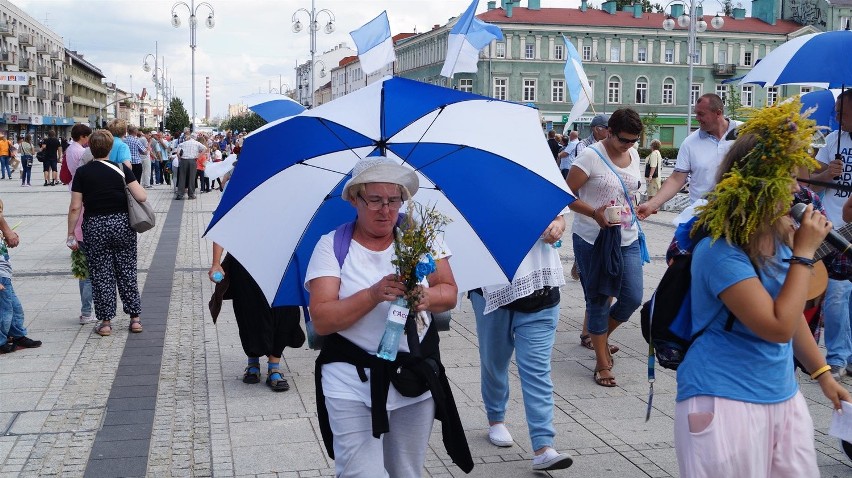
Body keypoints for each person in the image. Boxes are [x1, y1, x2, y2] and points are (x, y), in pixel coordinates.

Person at [674, 100, 850, 476]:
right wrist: (803, 255)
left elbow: (792, 315)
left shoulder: (776, 237)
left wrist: (822, 375)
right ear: (760, 182)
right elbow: (777, 326)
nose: (796, 186)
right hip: (723, 398)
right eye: (787, 176)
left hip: (781, 394)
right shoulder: (718, 249)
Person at [305, 157, 471, 477]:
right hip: (351, 378)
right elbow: (323, 318)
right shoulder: (331, 246)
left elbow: (449, 292)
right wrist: (371, 295)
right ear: (355, 199)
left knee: (406, 472)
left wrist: (424, 296)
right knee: (360, 473)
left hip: (412, 378)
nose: (386, 210)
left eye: (393, 200)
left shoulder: (419, 237)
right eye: (375, 200)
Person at [470, 214, 574, 471]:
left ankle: (543, 447)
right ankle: (496, 419)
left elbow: (561, 218)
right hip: (493, 291)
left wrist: (557, 228)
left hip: (541, 289)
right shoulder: (478, 186)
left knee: (537, 371)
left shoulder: (540, 175)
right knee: (494, 362)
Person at [567, 108, 645, 387]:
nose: (629, 146)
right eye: (624, 140)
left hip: (627, 235)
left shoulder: (633, 154)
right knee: (599, 300)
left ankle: (600, 337)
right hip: (593, 239)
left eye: (634, 140)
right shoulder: (590, 156)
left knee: (632, 297)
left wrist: (638, 205)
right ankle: (601, 362)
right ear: (609, 132)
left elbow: (634, 188)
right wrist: (593, 213)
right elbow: (565, 196)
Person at [66, 130, 147, 337]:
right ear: (110, 148)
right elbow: (142, 196)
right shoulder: (121, 168)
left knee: (101, 275)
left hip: (95, 226)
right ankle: (135, 319)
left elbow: (75, 207)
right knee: (127, 270)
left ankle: (106, 323)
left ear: (90, 148)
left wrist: (70, 233)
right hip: (122, 225)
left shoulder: (83, 173)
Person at [208, 243, 305, 391]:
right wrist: (216, 263)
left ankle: (274, 367)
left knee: (285, 311)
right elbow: (222, 228)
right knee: (248, 312)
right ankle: (253, 362)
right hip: (245, 262)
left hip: (283, 259)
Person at [637, 94, 741, 219]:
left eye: (701, 114)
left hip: (740, 216)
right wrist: (651, 204)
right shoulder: (690, 142)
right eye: (695, 113)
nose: (696, 118)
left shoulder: (745, 133)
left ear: (718, 113)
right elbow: (676, 179)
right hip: (703, 218)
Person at [811, 88, 852, 379]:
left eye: (841, 111)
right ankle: (837, 357)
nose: (836, 115)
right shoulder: (832, 141)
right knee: (836, 297)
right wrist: (826, 175)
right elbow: (811, 186)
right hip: (835, 231)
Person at [0, 200, 41, 354]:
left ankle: (18, 335)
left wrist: (6, 233)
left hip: (4, 272)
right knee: (5, 311)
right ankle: (1, 341)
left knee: (15, 308)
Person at [65, 124, 96, 325]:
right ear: (83, 136)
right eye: (88, 138)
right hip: (85, 214)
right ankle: (87, 311)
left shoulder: (70, 149)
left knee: (83, 270)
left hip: (77, 212)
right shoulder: (82, 153)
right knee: (90, 272)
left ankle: (86, 310)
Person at [175, 132, 206, 200]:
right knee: (191, 177)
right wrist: (198, 156)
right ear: (195, 138)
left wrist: (179, 157)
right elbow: (205, 148)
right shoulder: (197, 143)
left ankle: (180, 194)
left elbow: (178, 150)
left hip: (183, 160)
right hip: (192, 161)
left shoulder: (184, 143)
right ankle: (191, 194)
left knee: (182, 177)